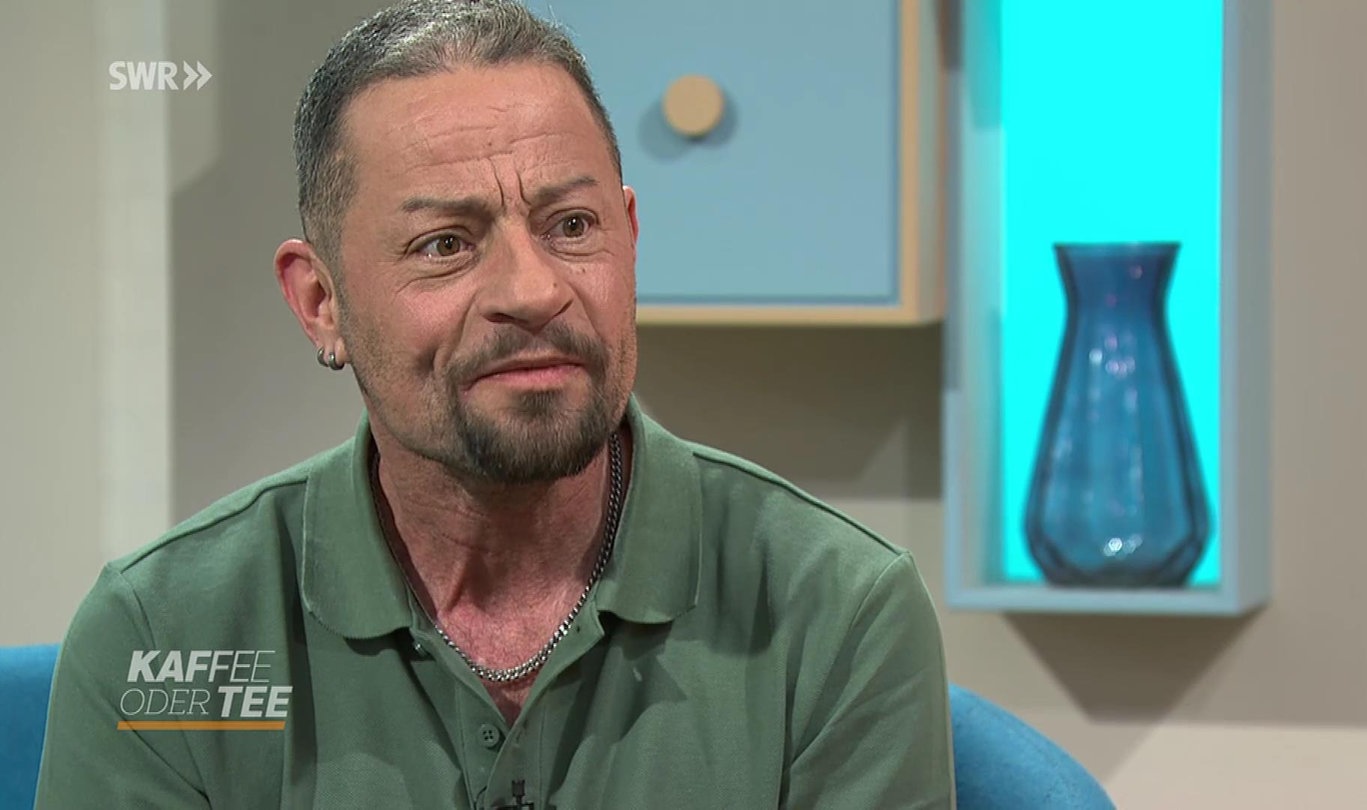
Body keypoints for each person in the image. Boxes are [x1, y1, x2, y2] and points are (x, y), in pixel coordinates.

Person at [34, 1, 955, 806]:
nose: (535, 289)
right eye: (445, 243)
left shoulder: (837, 614)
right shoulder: (163, 634)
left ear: (631, 239)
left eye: (572, 226)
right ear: (321, 302)